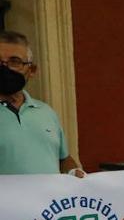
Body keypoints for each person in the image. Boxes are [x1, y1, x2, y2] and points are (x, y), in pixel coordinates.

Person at [0, 30, 84, 177]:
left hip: (47, 200)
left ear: (31, 70)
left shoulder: (46, 112)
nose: (4, 68)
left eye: (14, 62)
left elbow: (63, 158)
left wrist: (72, 171)